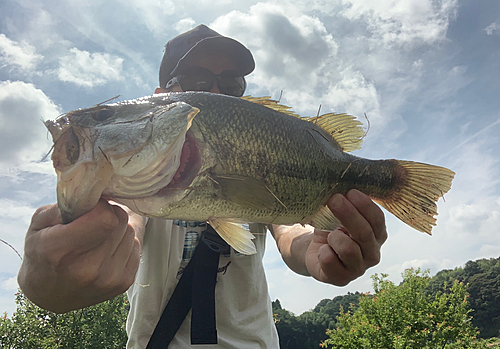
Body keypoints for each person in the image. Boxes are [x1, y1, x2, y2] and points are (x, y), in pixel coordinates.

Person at [17, 25, 387, 348]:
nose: (215, 90)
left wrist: (316, 254)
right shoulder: (134, 190)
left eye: (231, 83)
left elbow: (288, 228)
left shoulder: (256, 154)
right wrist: (45, 281)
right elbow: (128, 225)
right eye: (196, 80)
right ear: (163, 97)